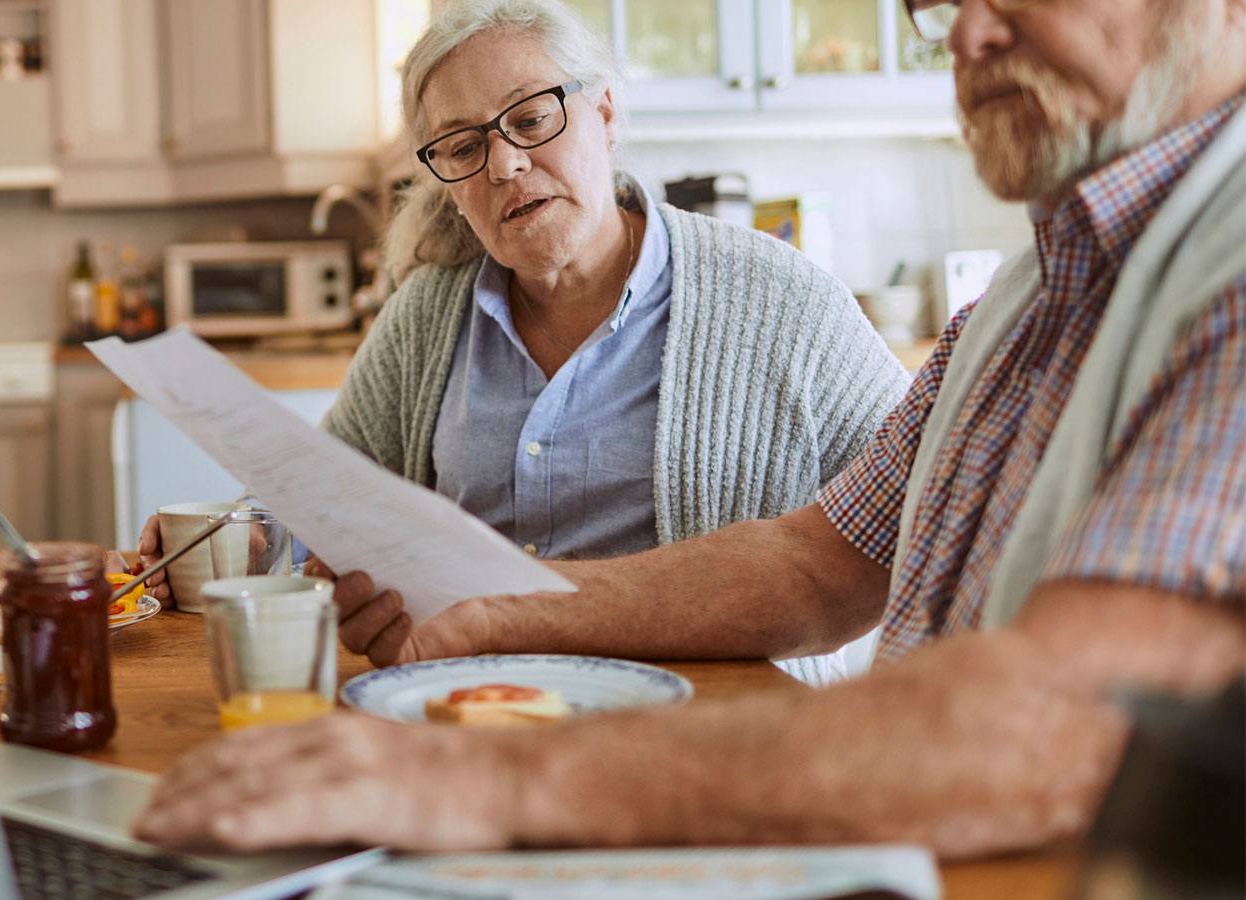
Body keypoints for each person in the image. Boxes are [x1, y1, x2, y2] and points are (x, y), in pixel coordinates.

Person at [132, 0, 1246, 859]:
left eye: (532, 121)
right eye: (941, 1)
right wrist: (484, 609)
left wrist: (486, 786)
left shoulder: (1228, 270)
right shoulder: (1022, 299)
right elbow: (815, 563)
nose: (966, 34)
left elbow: (1057, 725)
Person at [139, 0, 911, 685]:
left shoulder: (781, 298)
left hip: (713, 731)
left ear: (606, 115)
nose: (505, 164)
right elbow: (325, 491)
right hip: (470, 706)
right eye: (463, 146)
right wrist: (228, 538)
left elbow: (918, 508)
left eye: (532, 119)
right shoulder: (428, 316)